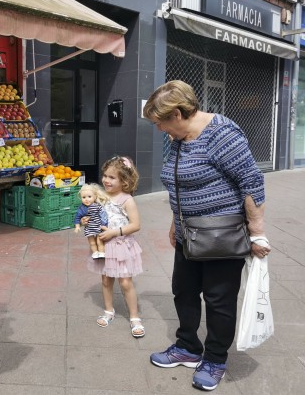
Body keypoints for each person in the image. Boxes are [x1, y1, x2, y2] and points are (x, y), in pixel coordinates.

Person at [143, 80, 269, 391]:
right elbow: (178, 182)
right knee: (183, 290)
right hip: (189, 232)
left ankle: (214, 359)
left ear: (177, 113)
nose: (159, 130)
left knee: (218, 300)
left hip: (221, 235)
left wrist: (257, 233)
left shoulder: (222, 133)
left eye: (160, 123)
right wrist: (176, 221)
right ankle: (187, 346)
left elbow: (251, 183)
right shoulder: (180, 136)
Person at [85, 156, 145, 338]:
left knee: (126, 282)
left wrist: (115, 232)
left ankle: (134, 317)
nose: (106, 180)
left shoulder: (127, 200)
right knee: (106, 280)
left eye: (112, 177)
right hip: (104, 246)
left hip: (120, 246)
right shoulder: (100, 197)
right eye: (105, 176)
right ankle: (109, 311)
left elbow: (135, 225)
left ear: (124, 181)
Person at [74, 183, 108, 259]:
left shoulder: (97, 205)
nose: (86, 199)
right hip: (89, 228)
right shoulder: (81, 208)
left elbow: (103, 214)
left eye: (89, 197)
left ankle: (102, 253)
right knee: (92, 242)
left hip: (98, 226)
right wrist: (77, 226)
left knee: (100, 241)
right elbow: (77, 217)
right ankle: (95, 253)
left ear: (95, 197)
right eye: (84, 197)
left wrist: (104, 224)